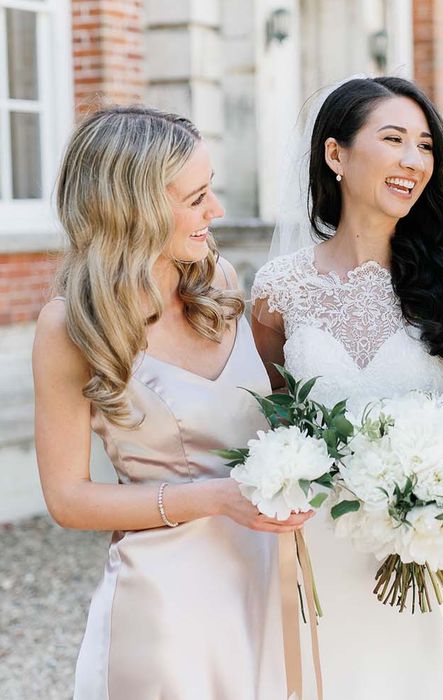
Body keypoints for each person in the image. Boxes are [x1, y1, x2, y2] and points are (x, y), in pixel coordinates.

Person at [33, 105, 309, 699]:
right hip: (165, 604)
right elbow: (67, 498)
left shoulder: (222, 283)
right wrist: (215, 498)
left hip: (265, 579)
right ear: (134, 207)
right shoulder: (69, 325)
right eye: (197, 197)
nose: (217, 212)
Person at [250, 77, 443, 699]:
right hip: (320, 551)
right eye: (393, 140)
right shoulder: (280, 290)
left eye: (425, 147)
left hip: (429, 554)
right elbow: (272, 424)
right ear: (336, 155)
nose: (414, 160)